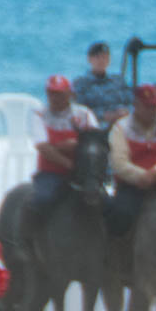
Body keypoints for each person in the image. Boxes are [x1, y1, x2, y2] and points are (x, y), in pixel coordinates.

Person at [106, 84, 156, 239]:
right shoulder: (121, 128)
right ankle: (117, 253)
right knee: (121, 215)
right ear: (136, 105)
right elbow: (118, 162)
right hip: (132, 185)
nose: (152, 111)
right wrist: (142, 176)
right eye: (147, 107)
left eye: (154, 107)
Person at [27, 76, 99, 225]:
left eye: (59, 93)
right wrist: (67, 158)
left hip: (84, 173)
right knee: (42, 200)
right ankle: (31, 238)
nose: (55, 97)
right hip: (51, 172)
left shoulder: (84, 114)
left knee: (103, 203)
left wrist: (76, 146)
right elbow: (43, 147)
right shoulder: (39, 115)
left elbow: (96, 141)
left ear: (70, 94)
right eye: (51, 93)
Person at [72, 41, 133, 127]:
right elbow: (79, 111)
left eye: (105, 57)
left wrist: (125, 111)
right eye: (97, 57)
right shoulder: (81, 84)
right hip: (97, 128)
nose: (102, 60)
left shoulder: (118, 80)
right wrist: (104, 115)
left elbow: (132, 102)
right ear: (89, 59)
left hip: (122, 125)